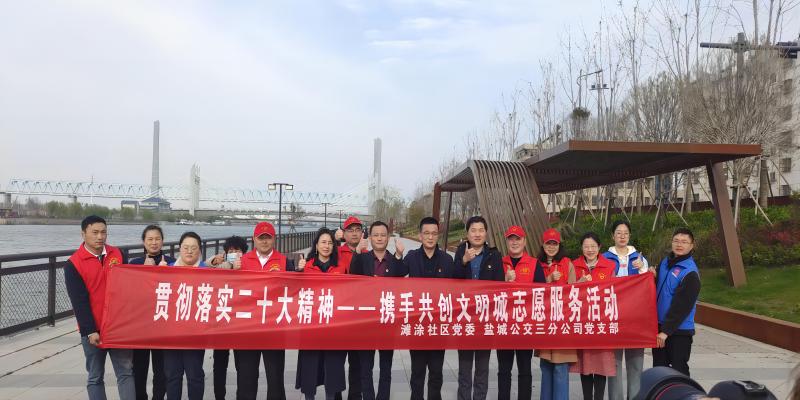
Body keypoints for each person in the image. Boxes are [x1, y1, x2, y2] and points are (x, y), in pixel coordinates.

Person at [64, 215, 135, 400]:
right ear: (83, 234)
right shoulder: (74, 264)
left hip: (118, 327)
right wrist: (90, 330)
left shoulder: (118, 254)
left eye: (103, 232)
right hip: (92, 330)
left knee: (126, 373)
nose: (100, 237)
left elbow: (129, 287)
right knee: (95, 377)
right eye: (94, 232)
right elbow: (79, 302)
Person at [349, 221, 406, 400]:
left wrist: (399, 255)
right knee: (365, 370)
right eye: (376, 235)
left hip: (387, 322)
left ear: (388, 238)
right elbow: (352, 277)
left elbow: (402, 278)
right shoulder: (363, 258)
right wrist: (357, 251)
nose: (379, 238)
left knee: (386, 369)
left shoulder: (394, 259)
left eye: (383, 235)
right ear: (370, 238)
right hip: (366, 323)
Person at [401, 216, 454, 400]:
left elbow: (457, 289)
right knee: (417, 372)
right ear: (420, 236)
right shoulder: (411, 257)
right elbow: (396, 275)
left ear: (438, 235)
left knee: (436, 372)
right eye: (426, 233)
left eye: (434, 233)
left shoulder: (447, 260)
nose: (430, 237)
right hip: (417, 325)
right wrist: (397, 256)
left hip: (438, 326)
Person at [453, 216, 504, 400]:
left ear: (486, 233)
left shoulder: (494, 255)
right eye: (473, 230)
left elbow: (499, 287)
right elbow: (452, 280)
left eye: (481, 230)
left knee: (482, 368)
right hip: (465, 318)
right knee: (465, 368)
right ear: (467, 233)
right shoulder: (461, 251)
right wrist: (463, 261)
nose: (477, 234)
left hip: (485, 319)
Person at [237, 222, 288, 400]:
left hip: (274, 329)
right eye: (261, 238)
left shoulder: (284, 261)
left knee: (275, 378)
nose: (264, 241)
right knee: (246, 378)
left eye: (268, 238)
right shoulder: (242, 261)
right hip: (247, 329)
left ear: (274, 239)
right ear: (254, 239)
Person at [295, 228, 348, 400]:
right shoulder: (306, 266)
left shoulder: (341, 267)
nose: (327, 246)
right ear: (316, 245)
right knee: (309, 369)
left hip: (334, 327)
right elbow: (294, 291)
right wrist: (298, 272)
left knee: (332, 371)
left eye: (330, 243)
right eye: (323, 242)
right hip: (311, 328)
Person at [603, 221, 650, 400]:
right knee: (614, 364)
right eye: (618, 233)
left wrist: (643, 269)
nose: (622, 236)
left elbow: (648, 286)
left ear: (630, 236)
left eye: (625, 233)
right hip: (613, 316)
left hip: (635, 318)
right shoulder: (605, 258)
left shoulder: (639, 258)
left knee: (635, 364)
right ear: (612, 236)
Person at [498, 225, 545, 400]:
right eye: (511, 239)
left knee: (525, 370)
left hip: (525, 326)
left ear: (524, 241)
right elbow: (489, 292)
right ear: (507, 242)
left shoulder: (534, 264)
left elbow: (542, 293)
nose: (514, 242)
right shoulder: (500, 263)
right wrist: (505, 281)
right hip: (504, 326)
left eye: (518, 239)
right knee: (504, 370)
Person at [128, 225, 175, 400]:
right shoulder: (135, 264)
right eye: (150, 239)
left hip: (163, 323)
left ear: (162, 241)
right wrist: (145, 271)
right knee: (139, 368)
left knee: (161, 369)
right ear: (143, 242)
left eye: (157, 239)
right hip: (141, 325)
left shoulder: (172, 263)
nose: (154, 242)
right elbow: (129, 293)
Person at [570, 232, 617, 400]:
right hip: (583, 322)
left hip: (601, 322)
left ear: (599, 247)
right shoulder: (574, 265)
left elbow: (616, 291)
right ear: (581, 248)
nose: (590, 250)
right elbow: (567, 291)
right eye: (586, 246)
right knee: (585, 364)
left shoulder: (609, 266)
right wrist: (579, 284)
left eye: (593, 246)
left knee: (601, 365)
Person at [163, 231, 207, 400]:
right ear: (179, 249)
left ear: (199, 250)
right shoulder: (166, 270)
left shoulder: (208, 272)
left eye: (193, 248)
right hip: (170, 333)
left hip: (195, 334)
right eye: (186, 247)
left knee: (195, 375)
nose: (189, 251)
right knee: (172, 375)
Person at [204, 235, 248, 400]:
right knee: (219, 364)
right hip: (221, 322)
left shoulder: (248, 266)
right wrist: (215, 261)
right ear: (225, 253)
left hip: (241, 322)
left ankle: (241, 395)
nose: (234, 253)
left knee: (241, 365)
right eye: (231, 250)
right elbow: (203, 267)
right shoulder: (221, 265)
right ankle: (219, 396)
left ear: (244, 252)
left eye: (238, 250)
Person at [653, 228, 701, 377]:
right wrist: (652, 276)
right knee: (659, 371)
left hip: (679, 331)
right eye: (676, 241)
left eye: (684, 242)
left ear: (691, 246)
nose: (679, 245)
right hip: (660, 326)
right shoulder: (665, 263)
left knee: (679, 371)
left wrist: (665, 331)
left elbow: (682, 306)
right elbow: (659, 289)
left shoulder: (690, 272)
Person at [536, 228, 576, 400]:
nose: (551, 247)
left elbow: (574, 292)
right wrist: (549, 279)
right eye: (548, 243)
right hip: (544, 323)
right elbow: (533, 291)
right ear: (543, 245)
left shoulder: (567, 264)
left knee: (561, 367)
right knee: (545, 366)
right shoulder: (537, 264)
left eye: (555, 244)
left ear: (559, 245)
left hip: (563, 323)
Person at [336, 216, 368, 400]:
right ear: (344, 233)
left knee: (357, 365)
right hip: (339, 318)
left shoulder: (368, 253)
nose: (354, 233)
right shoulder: (336, 252)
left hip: (359, 319)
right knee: (336, 363)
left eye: (357, 230)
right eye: (350, 230)